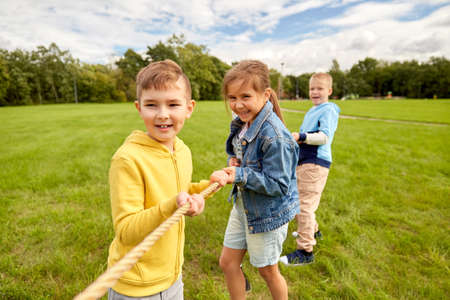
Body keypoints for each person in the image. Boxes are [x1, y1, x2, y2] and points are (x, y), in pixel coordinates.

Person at [107, 59, 223, 299]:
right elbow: (126, 230)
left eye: (172, 104)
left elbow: (180, 190)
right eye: (151, 104)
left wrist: (210, 185)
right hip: (137, 287)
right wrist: (173, 205)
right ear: (138, 108)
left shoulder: (182, 150)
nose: (162, 115)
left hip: (172, 277)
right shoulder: (128, 159)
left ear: (189, 108)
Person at [210, 60, 299, 300]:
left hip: (267, 214)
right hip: (243, 206)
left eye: (245, 96)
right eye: (232, 97)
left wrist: (239, 175)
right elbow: (238, 152)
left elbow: (279, 185)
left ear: (266, 94)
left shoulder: (275, 136)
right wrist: (234, 162)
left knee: (267, 270)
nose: (238, 104)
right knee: (228, 263)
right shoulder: (242, 122)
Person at [279, 72, 340, 266]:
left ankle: (305, 251)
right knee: (299, 200)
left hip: (315, 162)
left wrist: (302, 136)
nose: (315, 92)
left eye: (320, 88)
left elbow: (324, 137)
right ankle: (313, 231)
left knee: (304, 206)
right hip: (305, 161)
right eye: (312, 88)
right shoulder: (313, 109)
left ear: (329, 91)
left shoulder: (328, 109)